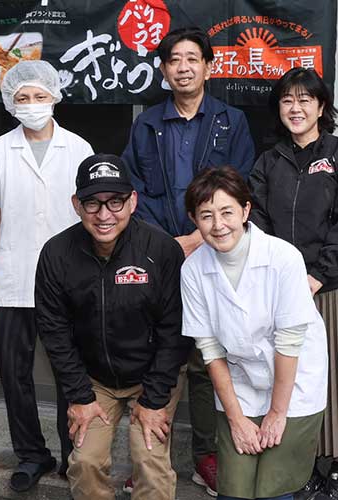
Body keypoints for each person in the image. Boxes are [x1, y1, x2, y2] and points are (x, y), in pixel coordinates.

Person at [121, 26, 256, 496]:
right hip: (160, 256)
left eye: (192, 59)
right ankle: (147, 461)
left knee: (206, 360)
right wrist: (167, 244)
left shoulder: (231, 122)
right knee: (155, 353)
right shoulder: (146, 124)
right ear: (163, 69)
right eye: (174, 60)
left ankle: (206, 457)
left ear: (209, 67)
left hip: (214, 253)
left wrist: (198, 238)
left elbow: (239, 185)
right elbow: (133, 191)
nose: (183, 67)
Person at [249, 67, 338, 500]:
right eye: (287, 100)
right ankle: (304, 465)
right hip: (287, 287)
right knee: (294, 376)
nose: (296, 108)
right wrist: (281, 276)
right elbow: (257, 223)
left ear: (321, 107)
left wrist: (319, 274)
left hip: (337, 284)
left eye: (305, 99)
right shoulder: (268, 161)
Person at [0, 60, 94, 492]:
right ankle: (31, 455)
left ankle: (74, 456)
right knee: (13, 372)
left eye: (40, 96)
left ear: (54, 97)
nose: (32, 104)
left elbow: (93, 216)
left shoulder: (78, 148)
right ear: (10, 103)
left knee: (69, 373)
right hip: (12, 279)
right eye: (23, 97)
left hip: (67, 281)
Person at [34, 153, 193, 500]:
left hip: (152, 373)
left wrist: (154, 399)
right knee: (84, 462)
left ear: (132, 201)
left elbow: (175, 330)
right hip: (95, 379)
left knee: (150, 461)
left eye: (115, 202)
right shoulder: (56, 254)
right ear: (76, 205)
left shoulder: (161, 250)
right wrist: (79, 396)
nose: (104, 215)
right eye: (93, 203)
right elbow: (54, 331)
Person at [180, 166, 328, 500]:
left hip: (295, 381)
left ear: (246, 210)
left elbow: (288, 342)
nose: (218, 225)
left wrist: (277, 414)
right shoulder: (192, 270)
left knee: (274, 489)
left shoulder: (283, 258)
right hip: (240, 382)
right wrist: (235, 419)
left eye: (227, 212)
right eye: (206, 215)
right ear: (193, 219)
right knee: (234, 489)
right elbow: (210, 350)